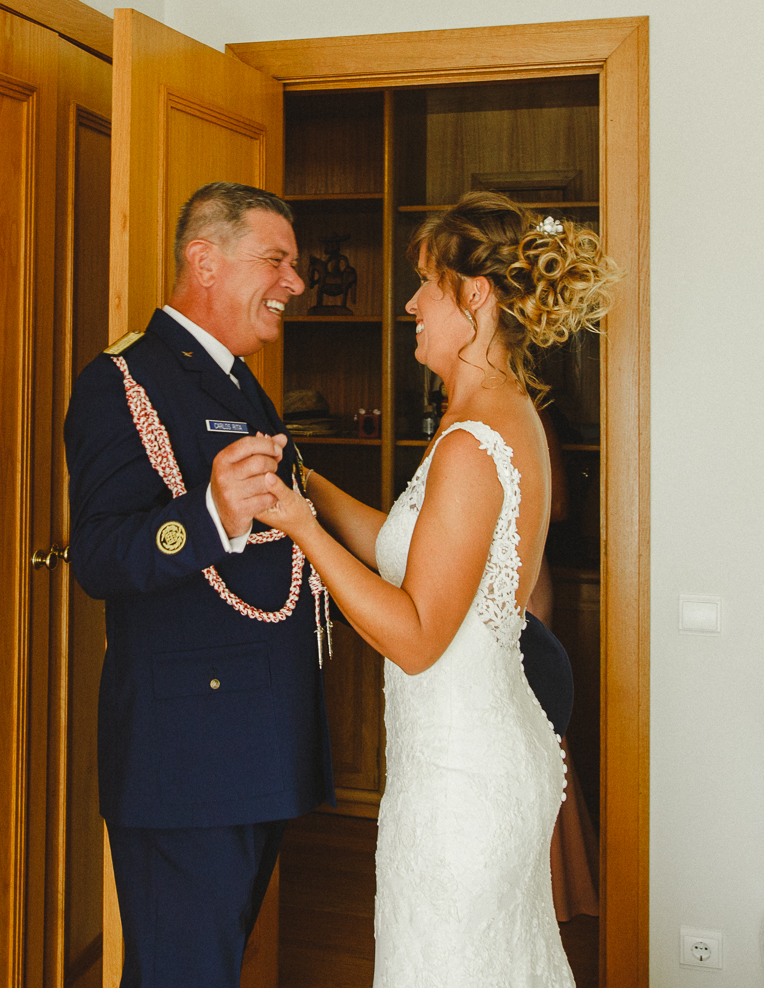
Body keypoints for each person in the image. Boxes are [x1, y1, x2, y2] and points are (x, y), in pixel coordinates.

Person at [256, 191, 619, 986]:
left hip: (462, 785)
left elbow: (418, 635)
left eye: (425, 282)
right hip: (482, 751)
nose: (411, 303)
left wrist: (300, 527)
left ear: (475, 295)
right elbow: (415, 550)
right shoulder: (502, 414)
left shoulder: (469, 443)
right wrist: (304, 479)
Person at [64, 182, 333, 987]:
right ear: (204, 260)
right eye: (276, 260)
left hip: (251, 736)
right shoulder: (124, 380)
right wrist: (210, 515)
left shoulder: (236, 380)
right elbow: (102, 555)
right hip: (187, 751)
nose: (294, 283)